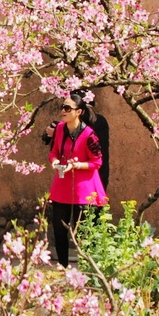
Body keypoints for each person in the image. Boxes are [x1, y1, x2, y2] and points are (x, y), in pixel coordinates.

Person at [48, 92, 107, 267]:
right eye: (62, 107)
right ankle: (63, 267)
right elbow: (54, 152)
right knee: (59, 229)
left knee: (83, 233)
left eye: (67, 108)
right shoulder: (59, 129)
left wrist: (76, 165)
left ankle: (88, 270)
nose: (63, 111)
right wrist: (55, 161)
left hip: (84, 188)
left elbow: (97, 162)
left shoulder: (89, 134)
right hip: (63, 185)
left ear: (79, 112)